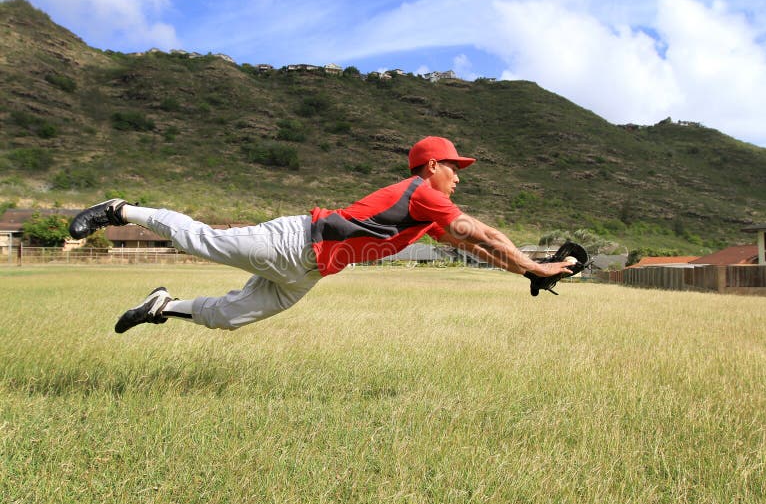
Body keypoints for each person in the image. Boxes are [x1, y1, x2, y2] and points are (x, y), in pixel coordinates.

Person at [69, 136, 574, 333]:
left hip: (309, 271)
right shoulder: (423, 193)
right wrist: (535, 265)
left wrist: (524, 273)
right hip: (295, 241)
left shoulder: (429, 215)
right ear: (434, 165)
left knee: (231, 317)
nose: (460, 175)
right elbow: (483, 231)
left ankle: (162, 306)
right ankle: (120, 209)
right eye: (455, 168)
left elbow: (475, 246)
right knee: (207, 241)